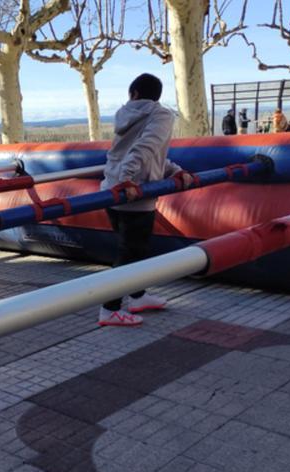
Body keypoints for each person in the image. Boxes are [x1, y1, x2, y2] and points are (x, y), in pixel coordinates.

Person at [96, 73, 192, 327]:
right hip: (134, 194)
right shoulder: (161, 115)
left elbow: (149, 155)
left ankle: (137, 295)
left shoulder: (125, 113)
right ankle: (110, 309)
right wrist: (128, 178)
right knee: (130, 255)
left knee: (131, 251)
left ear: (134, 93)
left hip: (112, 192)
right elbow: (146, 148)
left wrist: (175, 170)